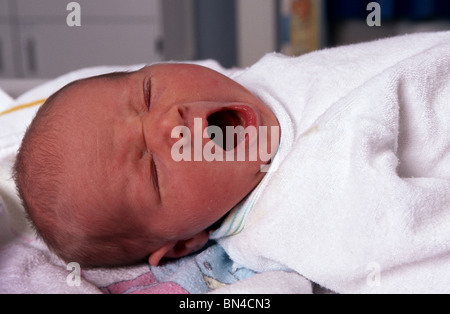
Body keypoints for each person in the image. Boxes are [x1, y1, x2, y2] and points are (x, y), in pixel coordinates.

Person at [13, 63, 281, 268]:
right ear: (184, 243)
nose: (169, 125)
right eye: (153, 171)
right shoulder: (276, 236)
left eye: (148, 95)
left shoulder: (262, 75)